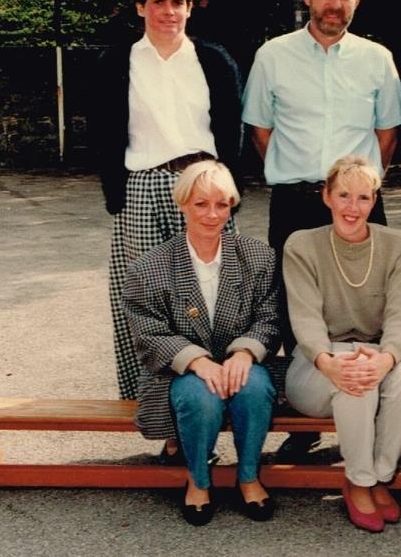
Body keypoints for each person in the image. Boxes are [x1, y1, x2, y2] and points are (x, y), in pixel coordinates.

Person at [242, 0, 401, 459]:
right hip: (296, 201)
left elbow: (387, 134)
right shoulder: (273, 56)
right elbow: (260, 131)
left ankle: (372, 398)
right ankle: (306, 419)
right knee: (297, 310)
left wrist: (356, 188)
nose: (335, 3)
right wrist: (302, 177)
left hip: (358, 200)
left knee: (368, 302)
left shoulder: (377, 59)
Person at [89, 0, 243, 444]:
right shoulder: (118, 61)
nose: (168, 11)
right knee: (149, 304)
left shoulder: (212, 60)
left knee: (212, 299)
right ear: (141, 6)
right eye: (158, 1)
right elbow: (102, 130)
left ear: (190, 7)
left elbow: (231, 128)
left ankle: (209, 418)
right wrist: (117, 192)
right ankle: (166, 426)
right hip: (143, 186)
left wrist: (227, 191)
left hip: (204, 185)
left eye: (178, 2)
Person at [125, 160, 280, 526]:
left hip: (242, 362)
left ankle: (248, 476)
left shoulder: (259, 256)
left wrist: (245, 352)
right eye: (201, 204)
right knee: (199, 396)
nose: (212, 214)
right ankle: (198, 479)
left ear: (232, 206)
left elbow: (270, 316)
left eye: (221, 204)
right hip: (180, 372)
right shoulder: (148, 267)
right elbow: (147, 332)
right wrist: (197, 361)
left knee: (254, 388)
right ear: (182, 204)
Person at [283, 156, 401, 532]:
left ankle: (379, 475)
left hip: (378, 357)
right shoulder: (301, 245)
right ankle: (360, 481)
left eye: (363, 198)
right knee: (353, 377)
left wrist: (385, 360)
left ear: (374, 201)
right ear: (327, 196)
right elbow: (305, 318)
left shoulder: (400, 246)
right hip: (315, 366)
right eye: (344, 195)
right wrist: (328, 361)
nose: (353, 207)